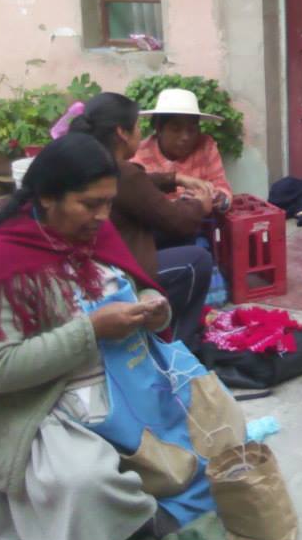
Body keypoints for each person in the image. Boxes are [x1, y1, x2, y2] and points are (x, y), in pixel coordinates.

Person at [0, 134, 191, 540]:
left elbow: (136, 289)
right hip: (42, 401)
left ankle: (127, 520)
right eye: (90, 204)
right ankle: (137, 522)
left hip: (119, 378)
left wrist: (154, 309)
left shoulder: (93, 234)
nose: (103, 216)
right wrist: (91, 331)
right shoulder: (4, 259)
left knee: (198, 426)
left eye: (108, 203)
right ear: (47, 197)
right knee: (83, 478)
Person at [69, 93, 213, 349]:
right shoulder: (122, 171)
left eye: (191, 129)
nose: (184, 137)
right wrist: (200, 204)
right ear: (122, 133)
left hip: (95, 261)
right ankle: (177, 345)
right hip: (117, 271)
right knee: (198, 260)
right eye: (137, 127)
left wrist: (175, 178)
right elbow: (176, 220)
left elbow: (141, 186)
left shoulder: (90, 159)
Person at [132, 87, 233, 212]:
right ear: (159, 129)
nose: (185, 137)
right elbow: (137, 200)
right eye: (176, 129)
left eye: (192, 129)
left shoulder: (206, 146)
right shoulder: (140, 154)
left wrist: (219, 198)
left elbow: (221, 185)